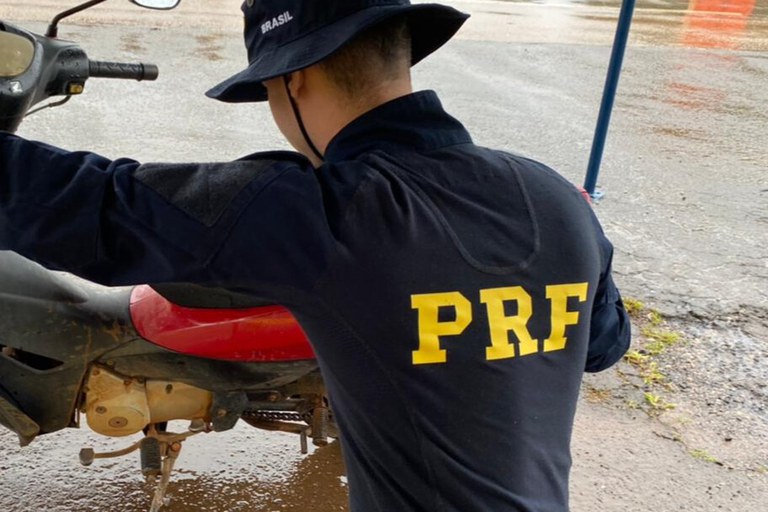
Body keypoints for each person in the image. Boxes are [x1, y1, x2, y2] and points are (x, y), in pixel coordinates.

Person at [0, 0, 631, 510]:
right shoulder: (556, 199)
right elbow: (604, 345)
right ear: (400, 53)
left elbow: (94, 204)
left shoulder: (324, 213)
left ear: (293, 79)